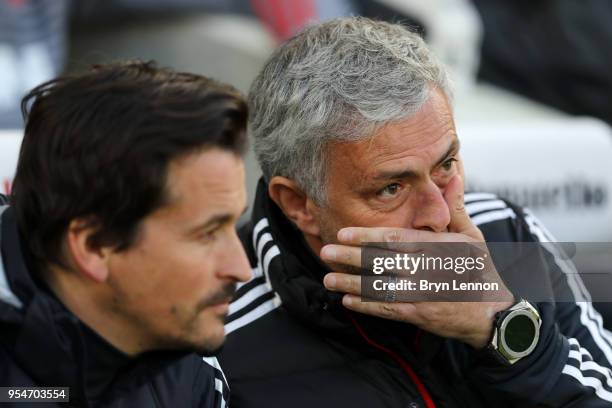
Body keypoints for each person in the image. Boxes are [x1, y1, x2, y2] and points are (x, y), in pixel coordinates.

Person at [218, 18, 612, 407]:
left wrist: (499, 325)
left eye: (446, 166)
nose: (439, 216)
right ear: (299, 204)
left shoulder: (505, 231)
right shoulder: (214, 328)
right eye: (391, 189)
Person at [0, 61, 251, 406]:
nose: (240, 268)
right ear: (94, 245)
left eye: (233, 225)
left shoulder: (183, 350)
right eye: (207, 234)